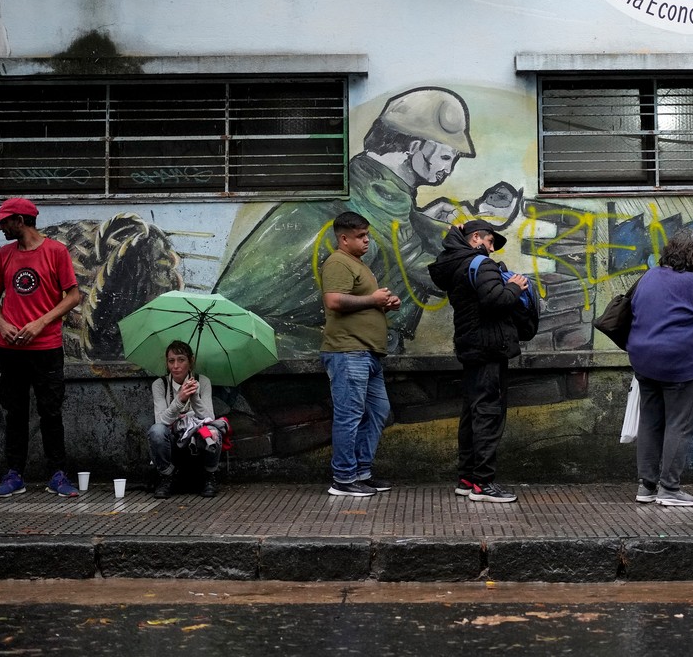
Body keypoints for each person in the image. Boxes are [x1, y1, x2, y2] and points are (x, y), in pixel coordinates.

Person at [216, 87, 521, 356]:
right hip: (283, 337)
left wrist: (426, 223)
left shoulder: (366, 180)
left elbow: (397, 234)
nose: (449, 169)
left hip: (269, 330)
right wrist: (495, 278)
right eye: (445, 157)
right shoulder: (380, 194)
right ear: (415, 148)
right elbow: (418, 263)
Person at [428, 218, 539, 504]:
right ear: (477, 238)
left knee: (473, 413)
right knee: (488, 413)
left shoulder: (455, 264)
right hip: (489, 347)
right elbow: (496, 300)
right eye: (490, 242)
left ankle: (467, 478)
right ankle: (483, 483)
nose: (492, 249)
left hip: (471, 345)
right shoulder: (481, 263)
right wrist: (515, 286)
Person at [625, 229, 693, 508]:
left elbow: (634, 305)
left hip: (644, 361)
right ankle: (669, 488)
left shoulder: (650, 275)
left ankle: (646, 486)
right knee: (678, 425)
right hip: (680, 366)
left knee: (650, 422)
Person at [0, 197, 82, 498]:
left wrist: (40, 323)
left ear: (21, 220)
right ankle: (14, 475)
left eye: (5, 221)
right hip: (10, 348)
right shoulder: (4, 255)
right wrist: (2, 323)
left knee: (50, 412)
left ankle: (57, 475)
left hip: (46, 348)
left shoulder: (56, 251)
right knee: (15, 412)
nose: (0, 227)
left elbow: (74, 295)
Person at [320, 211, 402, 497]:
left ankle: (361, 473)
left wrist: (385, 303)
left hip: (367, 353)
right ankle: (342, 479)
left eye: (367, 235)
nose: (366, 240)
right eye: (360, 236)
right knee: (349, 415)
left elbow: (360, 302)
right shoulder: (338, 262)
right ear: (343, 238)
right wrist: (373, 299)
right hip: (348, 352)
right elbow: (333, 300)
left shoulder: (357, 264)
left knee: (378, 411)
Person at [149, 340, 226, 499]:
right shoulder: (160, 384)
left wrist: (195, 397)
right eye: (171, 361)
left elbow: (209, 417)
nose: (175, 366)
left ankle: (209, 476)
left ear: (191, 361)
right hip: (172, 438)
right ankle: (166, 476)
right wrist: (180, 400)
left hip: (197, 436)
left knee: (213, 431)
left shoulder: (202, 381)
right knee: (155, 431)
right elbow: (160, 421)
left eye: (181, 360)